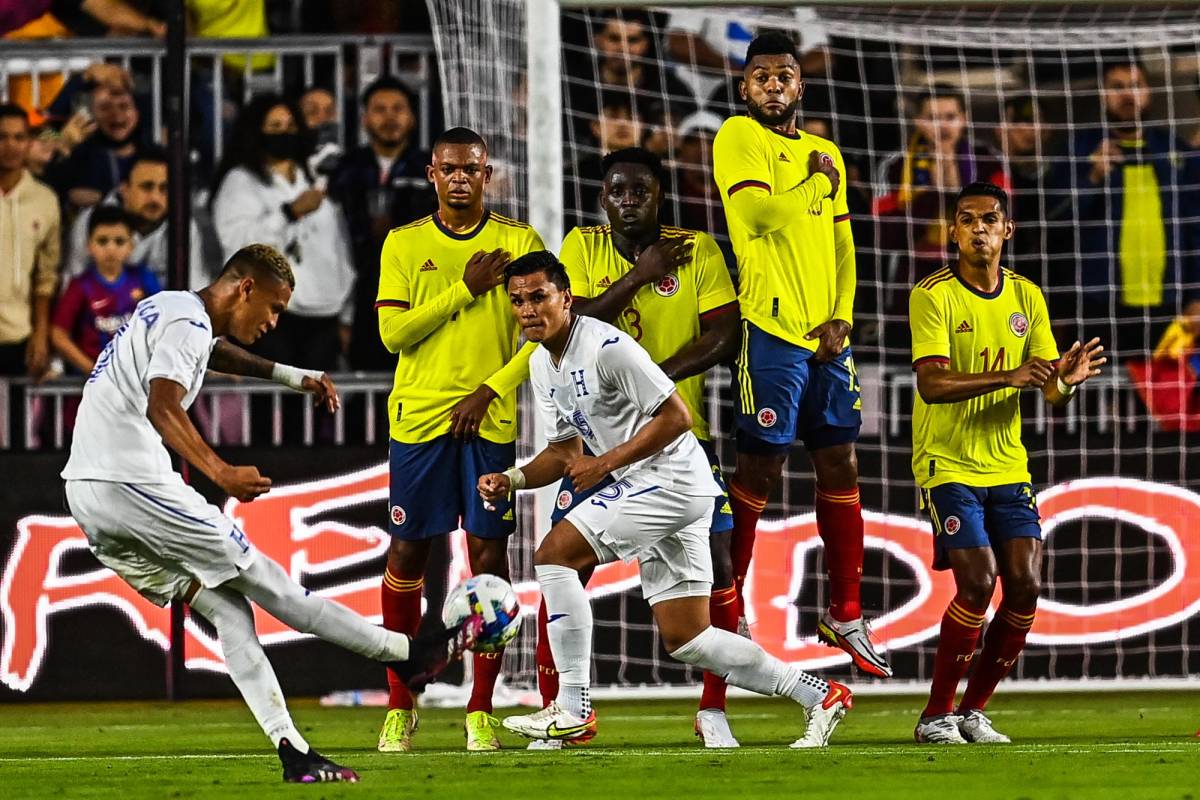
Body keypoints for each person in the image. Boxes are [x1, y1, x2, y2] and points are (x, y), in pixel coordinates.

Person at [60, 243, 472, 782]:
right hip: (131, 482)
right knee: (273, 586)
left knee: (230, 613)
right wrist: (220, 472)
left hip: (87, 495)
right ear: (245, 288)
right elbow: (163, 404)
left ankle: (293, 751)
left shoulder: (170, 308)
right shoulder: (187, 324)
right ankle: (404, 654)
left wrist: (289, 375)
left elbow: (211, 352)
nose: (275, 322)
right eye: (274, 308)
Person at [485, 251, 852, 749]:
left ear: (566, 299)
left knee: (554, 556)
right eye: (518, 301)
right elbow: (563, 452)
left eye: (538, 296)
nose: (528, 309)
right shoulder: (540, 364)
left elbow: (678, 416)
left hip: (670, 480)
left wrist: (606, 463)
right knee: (689, 639)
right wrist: (512, 478)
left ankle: (573, 707)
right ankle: (820, 695)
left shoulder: (606, 347)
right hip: (665, 489)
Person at [534, 147, 740, 748]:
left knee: (722, 567)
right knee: (561, 563)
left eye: (640, 190)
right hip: (597, 448)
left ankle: (714, 708)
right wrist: (639, 276)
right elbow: (568, 325)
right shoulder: (582, 246)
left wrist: (654, 380)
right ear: (603, 198)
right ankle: (558, 708)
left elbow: (725, 334)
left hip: (676, 437)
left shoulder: (697, 249)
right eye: (617, 191)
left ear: (660, 196)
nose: (628, 201)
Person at [711, 33, 891, 678]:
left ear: (800, 84)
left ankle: (846, 611)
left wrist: (843, 314)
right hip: (771, 330)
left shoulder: (826, 151)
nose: (773, 85)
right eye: (761, 76)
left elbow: (844, 246)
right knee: (760, 471)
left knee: (841, 462)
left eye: (783, 75)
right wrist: (814, 184)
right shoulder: (738, 136)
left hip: (827, 338)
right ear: (745, 87)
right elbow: (758, 217)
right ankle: (730, 611)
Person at [909, 182, 1105, 743]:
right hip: (947, 462)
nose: (979, 229)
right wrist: (1008, 376)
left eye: (989, 220)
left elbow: (1049, 390)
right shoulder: (932, 295)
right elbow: (931, 385)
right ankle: (935, 715)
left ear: (1007, 230)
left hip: (1008, 465)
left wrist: (1066, 382)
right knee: (977, 582)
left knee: (1025, 586)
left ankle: (972, 711)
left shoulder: (1027, 296)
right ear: (953, 231)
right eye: (967, 220)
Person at [374, 127, 544, 753]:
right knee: (407, 555)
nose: (460, 178)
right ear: (432, 174)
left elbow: (542, 334)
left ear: (487, 174)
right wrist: (464, 290)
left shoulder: (519, 242)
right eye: (449, 169)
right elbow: (393, 335)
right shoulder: (404, 243)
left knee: (488, 561)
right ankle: (400, 706)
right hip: (419, 421)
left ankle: (480, 710)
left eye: (471, 168)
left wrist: (490, 390)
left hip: (488, 422)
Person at [1051, 56, 1200, 360]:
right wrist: (1092, 178)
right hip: (1100, 306)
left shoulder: (1176, 152)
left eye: (1135, 85)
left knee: (1165, 390)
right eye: (1117, 87)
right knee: (1101, 388)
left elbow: (1196, 231)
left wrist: (1197, 296)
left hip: (1169, 305)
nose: (1127, 95)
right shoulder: (1078, 151)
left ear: (1148, 91)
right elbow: (1053, 223)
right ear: (1103, 95)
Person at [211, 94, 354, 373]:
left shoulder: (314, 180)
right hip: (271, 317)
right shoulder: (240, 182)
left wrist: (346, 313)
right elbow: (238, 246)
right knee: (276, 397)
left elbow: (339, 249)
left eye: (290, 126)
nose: (284, 134)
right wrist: (289, 213)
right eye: (274, 127)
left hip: (325, 315)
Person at [873, 86, 1009, 356]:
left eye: (950, 117)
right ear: (918, 121)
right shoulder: (896, 167)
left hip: (978, 284)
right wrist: (932, 193)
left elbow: (1004, 225)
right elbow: (884, 235)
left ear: (964, 119)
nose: (942, 126)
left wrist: (956, 189)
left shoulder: (989, 163)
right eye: (933, 118)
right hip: (912, 286)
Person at [329, 75, 436, 370]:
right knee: (367, 380)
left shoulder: (433, 169)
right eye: (380, 109)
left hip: (420, 294)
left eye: (398, 109)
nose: (389, 117)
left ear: (412, 118)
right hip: (362, 297)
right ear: (364, 118)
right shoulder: (346, 169)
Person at [65, 145, 208, 288]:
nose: (155, 198)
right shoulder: (91, 221)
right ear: (124, 189)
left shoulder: (183, 226)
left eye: (164, 189)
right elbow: (73, 283)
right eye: (146, 187)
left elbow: (194, 288)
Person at [51, 206, 161, 376]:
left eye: (119, 241)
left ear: (131, 245)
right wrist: (94, 370)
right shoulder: (80, 287)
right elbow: (58, 334)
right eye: (102, 241)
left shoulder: (144, 279)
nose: (111, 249)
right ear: (89, 245)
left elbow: (163, 324)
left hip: (136, 380)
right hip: (90, 385)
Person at [0, 103, 59, 382]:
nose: (10, 145)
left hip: (19, 335)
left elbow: (45, 276)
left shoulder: (45, 200)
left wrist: (41, 333)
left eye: (19, 137)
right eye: (2, 137)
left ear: (29, 142)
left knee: (15, 410)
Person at [56, 81, 145, 208]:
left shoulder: (153, 156)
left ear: (137, 113)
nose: (116, 115)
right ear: (92, 115)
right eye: (105, 108)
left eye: (124, 106)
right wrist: (63, 146)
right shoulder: (79, 157)